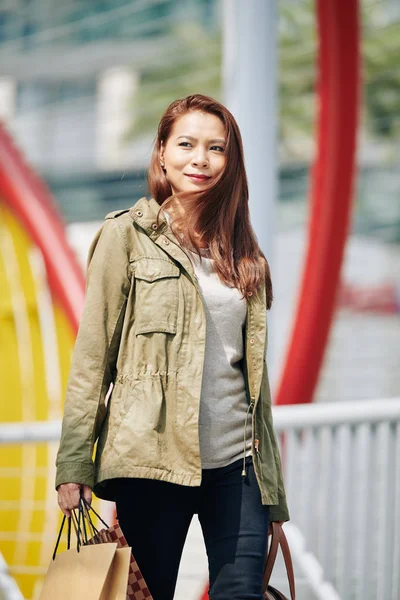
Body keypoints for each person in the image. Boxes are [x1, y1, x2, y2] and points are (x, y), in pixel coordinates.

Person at [55, 93, 289, 600]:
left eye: (215, 148)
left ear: (231, 162)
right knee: (145, 594)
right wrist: (74, 465)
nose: (200, 160)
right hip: (151, 459)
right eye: (186, 144)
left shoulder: (245, 254)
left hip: (238, 465)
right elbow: (93, 359)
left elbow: (254, 385)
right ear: (162, 152)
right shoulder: (125, 238)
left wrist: (273, 494)